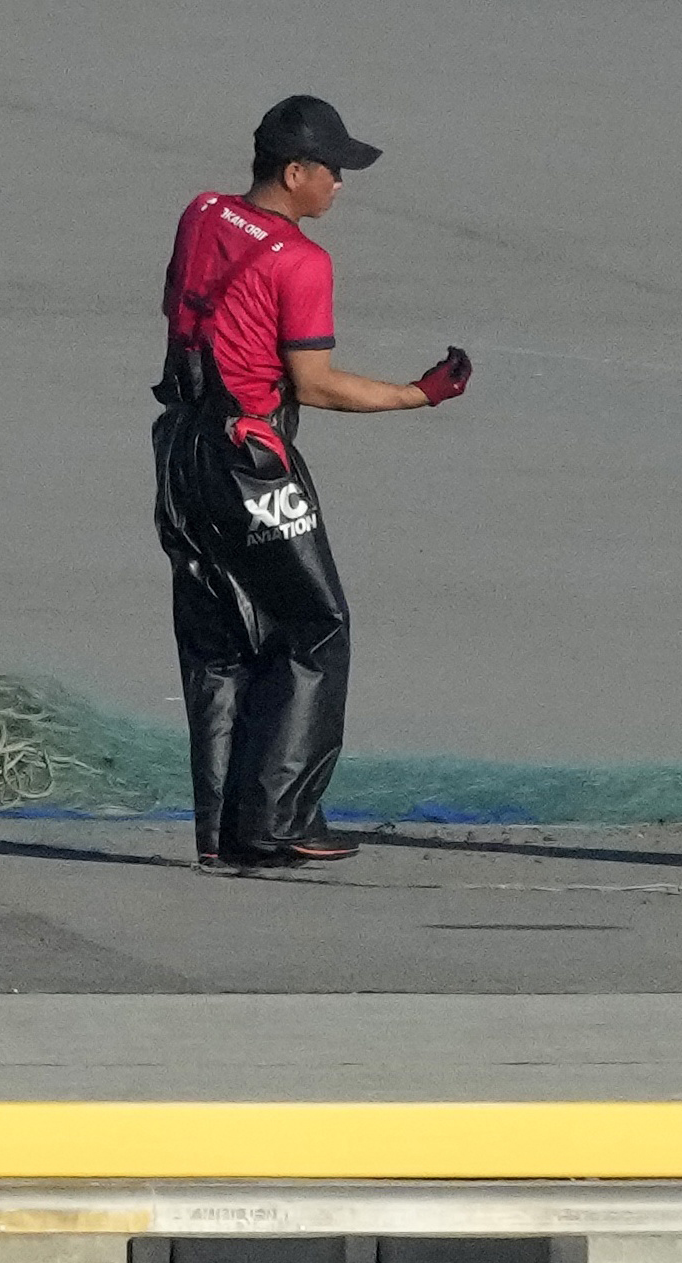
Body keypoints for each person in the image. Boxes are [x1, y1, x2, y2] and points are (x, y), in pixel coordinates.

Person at [155, 95, 473, 878]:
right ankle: (277, 823)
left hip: (178, 449)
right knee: (314, 627)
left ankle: (223, 829)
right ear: (294, 172)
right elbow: (317, 383)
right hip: (246, 458)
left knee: (220, 640)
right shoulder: (301, 261)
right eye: (332, 170)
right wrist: (417, 394)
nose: (340, 185)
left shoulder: (202, 213)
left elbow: (179, 302)